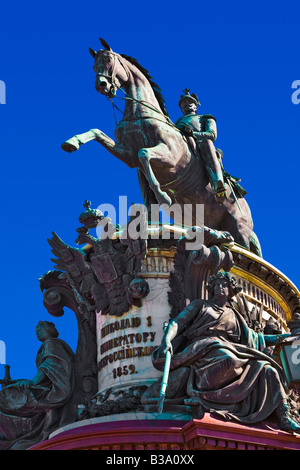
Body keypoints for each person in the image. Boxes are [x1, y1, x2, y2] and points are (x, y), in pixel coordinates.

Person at [142, 272, 300, 433]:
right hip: (204, 350)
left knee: (268, 369)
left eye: (224, 284)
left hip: (232, 351)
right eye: (216, 284)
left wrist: (286, 337)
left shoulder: (234, 315)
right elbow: (177, 322)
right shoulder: (200, 305)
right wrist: (166, 340)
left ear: (231, 289)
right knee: (227, 358)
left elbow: (257, 338)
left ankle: (284, 416)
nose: (220, 287)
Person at [0, 321, 75, 450]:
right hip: (49, 389)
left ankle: (17, 436)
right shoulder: (47, 346)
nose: (37, 331)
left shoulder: (51, 343)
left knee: (4, 400)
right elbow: (44, 375)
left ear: (49, 330)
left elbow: (49, 365)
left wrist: (33, 382)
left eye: (40, 329)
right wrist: (16, 382)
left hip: (55, 393)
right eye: (36, 330)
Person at [175, 89, 246, 203]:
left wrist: (193, 134)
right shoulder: (176, 123)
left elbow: (212, 134)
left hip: (202, 146)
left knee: (207, 142)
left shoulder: (204, 118)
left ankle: (217, 183)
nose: (186, 105)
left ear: (195, 106)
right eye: (183, 104)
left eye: (190, 103)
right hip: (183, 147)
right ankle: (150, 201)